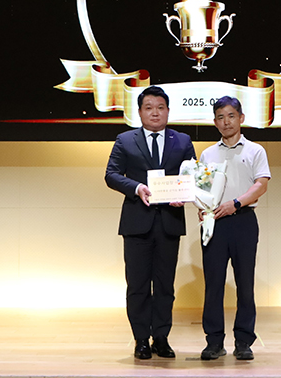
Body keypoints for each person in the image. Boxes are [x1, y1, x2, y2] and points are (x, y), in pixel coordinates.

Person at [105, 86, 196, 360]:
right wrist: (136, 187)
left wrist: (184, 194)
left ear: (168, 111)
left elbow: (192, 176)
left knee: (165, 285)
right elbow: (111, 174)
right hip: (137, 223)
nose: (155, 112)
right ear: (140, 112)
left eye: (160, 107)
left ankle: (162, 338)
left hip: (169, 222)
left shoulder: (182, 141)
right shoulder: (125, 140)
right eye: (149, 107)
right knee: (138, 285)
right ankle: (141, 339)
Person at [198, 96, 270, 361]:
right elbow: (202, 187)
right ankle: (214, 342)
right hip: (214, 223)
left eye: (231, 116)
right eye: (220, 117)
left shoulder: (255, 151)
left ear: (241, 118)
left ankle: (243, 341)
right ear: (215, 122)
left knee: (245, 284)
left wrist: (236, 203)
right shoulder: (207, 154)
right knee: (213, 285)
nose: (226, 121)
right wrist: (201, 208)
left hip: (243, 221)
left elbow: (261, 185)